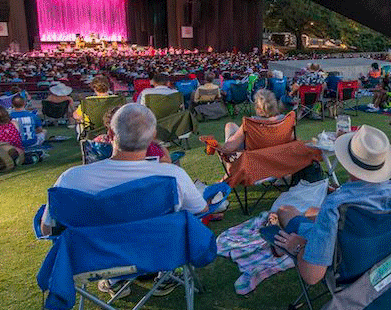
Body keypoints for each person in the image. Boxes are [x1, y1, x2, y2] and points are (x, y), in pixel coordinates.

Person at [39, 104, 209, 298]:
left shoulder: (71, 179)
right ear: (153, 136)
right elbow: (200, 209)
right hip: (160, 254)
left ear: (110, 133)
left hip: (95, 260)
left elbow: (48, 230)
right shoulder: (171, 176)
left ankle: (114, 280)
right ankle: (163, 276)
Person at [268, 125, 391, 285]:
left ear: (350, 165)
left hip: (347, 269)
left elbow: (312, 276)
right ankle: (298, 227)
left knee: (286, 210)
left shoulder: (336, 205)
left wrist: (298, 246)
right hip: (382, 256)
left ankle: (279, 238)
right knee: (312, 212)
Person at [93, 105, 171, 163]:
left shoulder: (97, 143)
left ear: (110, 131)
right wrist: (160, 144)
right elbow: (167, 161)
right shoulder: (146, 146)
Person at [220, 89, 286, 153]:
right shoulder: (284, 120)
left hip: (254, 157)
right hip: (277, 156)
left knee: (231, 133)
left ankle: (229, 163)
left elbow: (230, 147)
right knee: (230, 125)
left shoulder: (252, 122)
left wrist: (218, 147)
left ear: (258, 109)